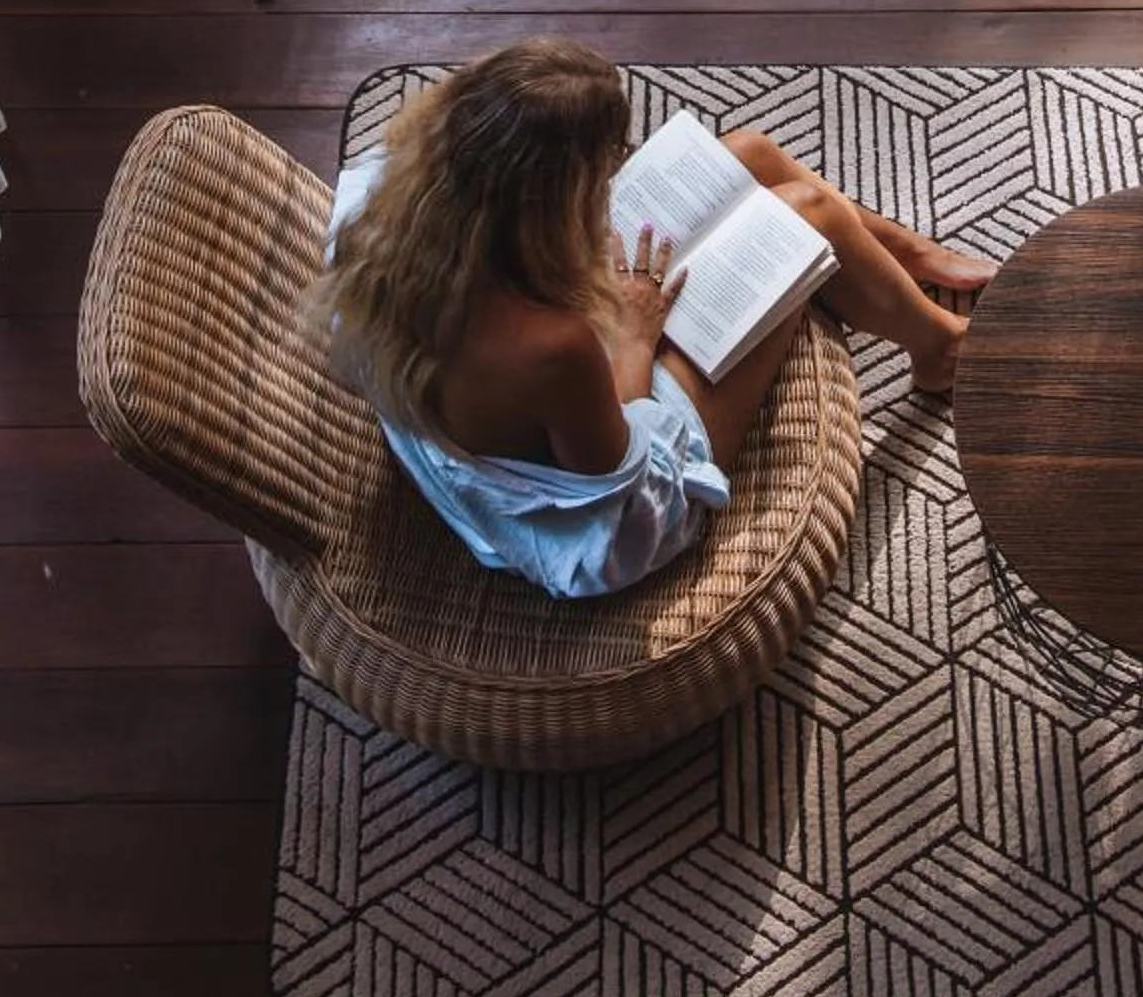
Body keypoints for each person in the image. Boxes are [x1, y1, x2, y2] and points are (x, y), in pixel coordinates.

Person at [307, 39, 994, 601]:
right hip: (626, 495)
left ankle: (907, 254)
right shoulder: (555, 347)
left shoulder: (379, 203)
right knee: (802, 213)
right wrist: (634, 336)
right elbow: (617, 468)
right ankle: (942, 349)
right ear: (553, 192)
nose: (618, 167)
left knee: (749, 153)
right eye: (604, 164)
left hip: (511, 380)